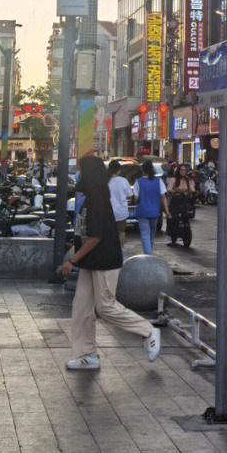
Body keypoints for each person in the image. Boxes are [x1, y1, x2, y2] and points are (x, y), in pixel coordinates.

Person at [60, 153, 160, 371]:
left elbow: (95, 237)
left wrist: (72, 261)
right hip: (91, 260)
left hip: (104, 259)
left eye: (81, 171)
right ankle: (88, 355)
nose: (78, 176)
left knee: (105, 306)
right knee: (81, 309)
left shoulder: (97, 198)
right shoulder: (92, 195)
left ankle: (148, 331)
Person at [131, 160, 167, 254]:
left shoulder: (138, 182)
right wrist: (167, 211)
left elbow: (136, 198)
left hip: (142, 211)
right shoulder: (158, 181)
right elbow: (163, 196)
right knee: (152, 234)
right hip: (154, 212)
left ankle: (148, 254)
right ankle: (149, 251)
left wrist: (136, 199)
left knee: (145, 235)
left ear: (143, 170)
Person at [166, 165, 196, 245]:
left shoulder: (188, 180)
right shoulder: (173, 179)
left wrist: (193, 193)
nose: (183, 171)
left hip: (185, 201)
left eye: (184, 170)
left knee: (188, 215)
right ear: (178, 171)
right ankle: (170, 234)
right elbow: (169, 188)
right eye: (181, 170)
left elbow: (192, 189)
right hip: (175, 201)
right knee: (174, 217)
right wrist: (173, 191)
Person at [107, 158, 133, 247]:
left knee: (109, 233)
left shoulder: (106, 181)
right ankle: (120, 250)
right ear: (118, 170)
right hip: (121, 212)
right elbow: (130, 195)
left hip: (108, 211)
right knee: (121, 232)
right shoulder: (123, 181)